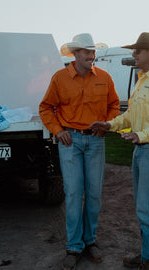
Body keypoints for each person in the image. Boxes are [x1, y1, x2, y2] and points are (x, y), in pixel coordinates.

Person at [90, 32, 149, 270]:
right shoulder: (142, 80)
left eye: (137, 50)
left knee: (147, 206)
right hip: (142, 149)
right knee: (143, 206)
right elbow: (131, 116)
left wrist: (141, 135)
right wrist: (110, 125)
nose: (134, 54)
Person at [39, 33, 120, 270]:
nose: (91, 55)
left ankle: (90, 240)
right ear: (75, 54)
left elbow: (114, 105)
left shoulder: (104, 77)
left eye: (93, 51)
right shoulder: (60, 78)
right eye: (87, 52)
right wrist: (57, 130)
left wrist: (108, 125)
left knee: (93, 194)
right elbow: (46, 107)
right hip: (69, 142)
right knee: (74, 194)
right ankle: (74, 247)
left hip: (96, 140)